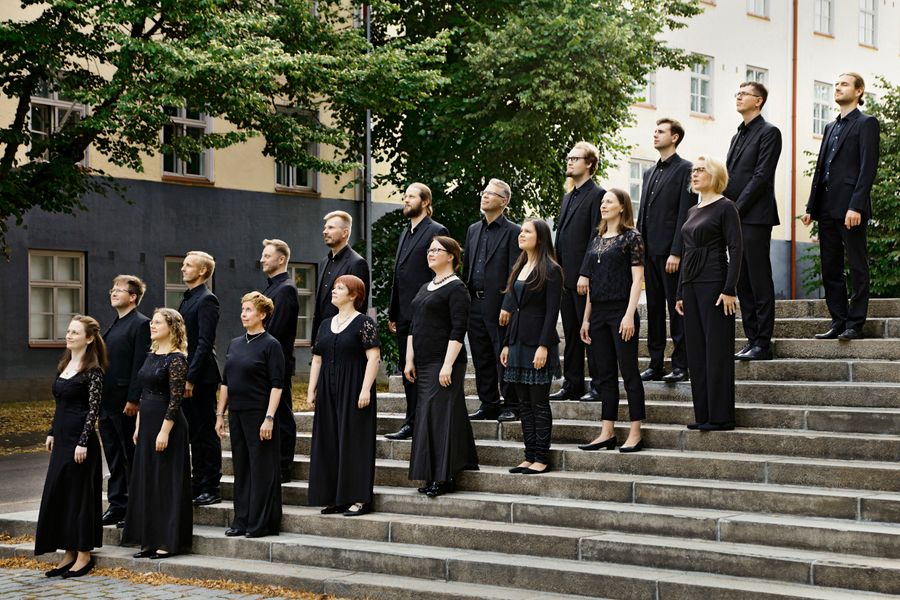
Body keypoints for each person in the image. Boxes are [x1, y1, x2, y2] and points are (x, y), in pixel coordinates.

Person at [802, 72, 881, 341]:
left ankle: (855, 323)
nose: (837, 87)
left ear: (859, 92)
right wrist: (811, 206)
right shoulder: (830, 127)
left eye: (844, 84)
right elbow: (822, 168)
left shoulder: (866, 123)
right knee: (830, 267)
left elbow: (867, 167)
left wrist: (856, 206)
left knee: (857, 265)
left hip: (850, 208)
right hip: (826, 207)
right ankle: (839, 320)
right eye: (835, 84)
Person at [406, 236, 479, 497]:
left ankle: (444, 477)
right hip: (423, 363)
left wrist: (447, 365)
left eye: (437, 249)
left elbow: (459, 329)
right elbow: (414, 326)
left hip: (444, 362)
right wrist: (408, 359)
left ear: (451, 256)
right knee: (428, 416)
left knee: (439, 418)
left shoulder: (457, 288)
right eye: (429, 249)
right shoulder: (426, 286)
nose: (431, 253)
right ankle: (434, 472)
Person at [35, 315, 107, 578]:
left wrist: (83, 441)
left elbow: (93, 410)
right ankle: (68, 552)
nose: (69, 335)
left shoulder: (94, 371)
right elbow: (59, 404)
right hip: (62, 438)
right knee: (62, 492)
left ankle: (84, 554)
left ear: (88, 338)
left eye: (75, 332)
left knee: (80, 496)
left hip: (80, 441)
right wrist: (52, 432)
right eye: (68, 331)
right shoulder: (65, 364)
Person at [675, 157, 743, 431]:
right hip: (691, 286)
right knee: (697, 352)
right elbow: (686, 251)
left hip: (715, 283)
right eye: (693, 171)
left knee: (716, 350)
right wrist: (680, 291)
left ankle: (721, 416)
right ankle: (703, 414)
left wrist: (729, 289)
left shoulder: (726, 207)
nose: (695, 174)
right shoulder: (693, 210)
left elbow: (736, 249)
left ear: (715, 175)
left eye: (700, 170)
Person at [578, 190, 646, 452]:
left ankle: (635, 432)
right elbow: (591, 283)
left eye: (609, 201)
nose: (603, 205)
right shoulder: (596, 240)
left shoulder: (632, 237)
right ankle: (607, 431)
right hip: (598, 313)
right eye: (602, 201)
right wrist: (586, 319)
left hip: (621, 311)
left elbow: (637, 280)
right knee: (604, 374)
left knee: (629, 372)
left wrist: (629, 314)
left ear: (621, 207)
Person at [121, 308, 192, 559]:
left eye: (158, 322)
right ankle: (148, 540)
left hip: (168, 425)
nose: (152, 325)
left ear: (171, 327)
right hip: (148, 423)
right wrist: (139, 425)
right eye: (152, 321)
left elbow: (175, 400)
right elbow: (143, 393)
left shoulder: (176, 359)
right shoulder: (151, 354)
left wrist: (164, 432)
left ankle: (168, 541)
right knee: (148, 482)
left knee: (166, 484)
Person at [307, 275, 380, 516]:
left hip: (354, 387)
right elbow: (317, 359)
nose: (333, 291)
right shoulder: (325, 324)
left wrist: (365, 389)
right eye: (334, 287)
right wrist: (311, 390)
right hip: (328, 388)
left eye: (340, 288)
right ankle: (335, 497)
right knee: (329, 440)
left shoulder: (364, 323)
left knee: (355, 442)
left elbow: (373, 358)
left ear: (354, 295)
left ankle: (359, 498)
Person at [215, 292, 284, 538]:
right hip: (237, 414)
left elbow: (277, 385)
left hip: (259, 415)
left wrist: (269, 418)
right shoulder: (235, 343)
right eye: (243, 309)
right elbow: (226, 382)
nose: (244, 314)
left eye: (249, 310)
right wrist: (220, 414)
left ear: (262, 315)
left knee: (261, 469)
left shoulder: (271, 345)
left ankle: (260, 523)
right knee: (242, 468)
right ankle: (241, 520)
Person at [386, 183, 449, 440]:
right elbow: (398, 275)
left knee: (421, 369)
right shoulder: (405, 232)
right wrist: (393, 311)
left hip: (426, 312)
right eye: (404, 196)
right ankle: (410, 421)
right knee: (406, 368)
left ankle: (422, 421)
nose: (405, 200)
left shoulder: (436, 231)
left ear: (425, 202)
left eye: (410, 196)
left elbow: (439, 271)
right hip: (403, 313)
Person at [725, 81, 782, 361]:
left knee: (758, 278)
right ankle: (751, 339)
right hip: (734, 217)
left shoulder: (770, 132)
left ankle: (763, 341)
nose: (738, 97)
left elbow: (761, 176)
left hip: (755, 217)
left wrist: (736, 207)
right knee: (742, 279)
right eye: (737, 93)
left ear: (758, 101)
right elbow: (730, 178)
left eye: (743, 94)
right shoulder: (737, 135)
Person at [499, 219, 562, 474]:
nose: (521, 234)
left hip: (537, 342)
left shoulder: (552, 269)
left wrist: (544, 346)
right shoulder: (521, 265)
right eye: (521, 231)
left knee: (538, 402)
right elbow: (514, 308)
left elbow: (551, 311)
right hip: (516, 341)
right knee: (523, 404)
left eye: (527, 231)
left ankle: (541, 458)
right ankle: (528, 455)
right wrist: (506, 344)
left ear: (541, 237)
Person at [636, 119, 693, 383]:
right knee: (655, 309)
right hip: (648, 251)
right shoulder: (648, 173)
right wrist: (637, 248)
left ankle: (681, 363)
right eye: (655, 130)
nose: (655, 135)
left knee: (676, 309)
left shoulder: (686, 170)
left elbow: (685, 213)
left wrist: (676, 251)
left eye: (660, 131)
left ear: (675, 137)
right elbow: (642, 214)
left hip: (671, 254)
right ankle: (655, 363)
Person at [552, 141, 606, 402]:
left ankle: (598, 386)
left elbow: (596, 239)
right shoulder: (567, 197)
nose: (569, 161)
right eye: (568, 157)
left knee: (590, 333)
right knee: (571, 333)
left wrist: (586, 273)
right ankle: (572, 384)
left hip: (585, 278)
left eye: (575, 158)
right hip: (564, 277)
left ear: (590, 164)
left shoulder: (598, 195)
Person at [464, 179, 521, 423]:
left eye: (491, 194)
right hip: (474, 304)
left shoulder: (514, 232)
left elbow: (515, 273)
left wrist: (508, 304)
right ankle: (488, 403)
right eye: (483, 192)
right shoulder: (473, 230)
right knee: (481, 356)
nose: (484, 197)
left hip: (498, 305)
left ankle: (511, 403)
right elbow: (467, 268)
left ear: (504, 201)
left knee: (502, 355)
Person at [99, 275, 150, 528]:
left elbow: (139, 364)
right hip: (106, 403)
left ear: (133, 297)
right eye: (112, 289)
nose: (113, 293)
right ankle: (117, 504)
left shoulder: (141, 324)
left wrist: (134, 398)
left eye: (119, 290)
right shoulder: (114, 325)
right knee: (114, 456)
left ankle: (134, 507)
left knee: (129, 456)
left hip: (125, 403)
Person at [177, 250, 222, 506]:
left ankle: (211, 486)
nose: (183, 268)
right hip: (187, 374)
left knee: (205, 432)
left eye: (188, 265)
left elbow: (204, 343)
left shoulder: (207, 300)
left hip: (201, 377)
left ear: (202, 271)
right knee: (193, 432)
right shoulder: (187, 299)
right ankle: (197, 483)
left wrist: (191, 378)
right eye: (183, 265)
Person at [260, 239, 300, 483]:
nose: (262, 259)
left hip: (277, 363)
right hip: (265, 363)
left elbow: (275, 331)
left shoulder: (285, 289)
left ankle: (284, 465)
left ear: (281, 259)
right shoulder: (270, 289)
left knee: (282, 414)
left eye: (267, 255)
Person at [312, 211, 370, 345]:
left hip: (344, 340)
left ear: (345, 233)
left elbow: (359, 306)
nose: (325, 231)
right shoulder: (323, 262)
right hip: (321, 339)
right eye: (325, 228)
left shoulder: (356, 263)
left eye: (331, 227)